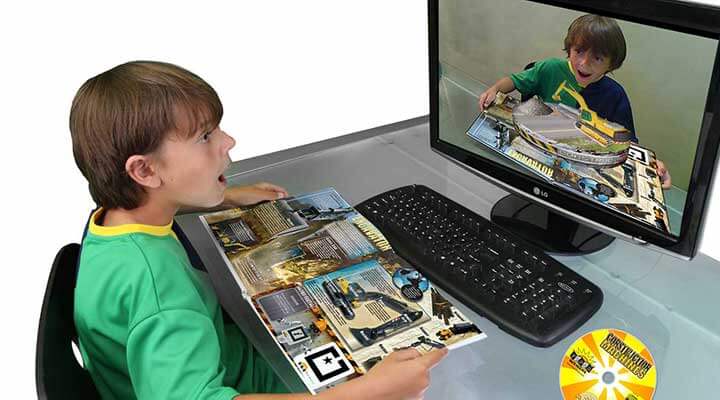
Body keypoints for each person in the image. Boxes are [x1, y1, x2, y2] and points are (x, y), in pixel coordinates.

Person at [70, 61, 447, 400]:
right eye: (205, 136)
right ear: (146, 171)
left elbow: (152, 199)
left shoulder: (113, 221)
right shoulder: (155, 287)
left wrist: (223, 196)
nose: (228, 141)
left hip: (208, 355)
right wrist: (365, 393)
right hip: (239, 380)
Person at [478, 14, 671, 188]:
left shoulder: (616, 95)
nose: (584, 63)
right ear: (569, 48)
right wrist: (495, 89)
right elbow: (514, 80)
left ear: (612, 63)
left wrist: (652, 168)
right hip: (534, 162)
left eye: (597, 57)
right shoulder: (549, 68)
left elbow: (628, 145)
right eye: (579, 51)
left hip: (577, 175)